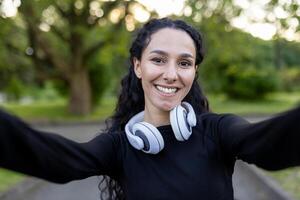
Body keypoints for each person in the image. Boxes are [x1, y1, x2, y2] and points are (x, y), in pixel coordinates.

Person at [0, 17, 300, 200]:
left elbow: (268, 144)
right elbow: (50, 158)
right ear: (138, 66)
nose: (171, 74)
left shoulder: (217, 131)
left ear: (194, 71)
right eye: (158, 59)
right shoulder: (119, 147)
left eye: (184, 63)